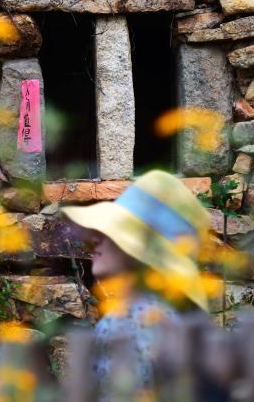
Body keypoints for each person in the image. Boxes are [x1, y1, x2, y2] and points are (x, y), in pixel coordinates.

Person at [61, 170, 214, 397]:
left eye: (113, 231)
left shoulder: (130, 322)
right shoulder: (162, 314)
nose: (95, 239)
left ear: (140, 250)